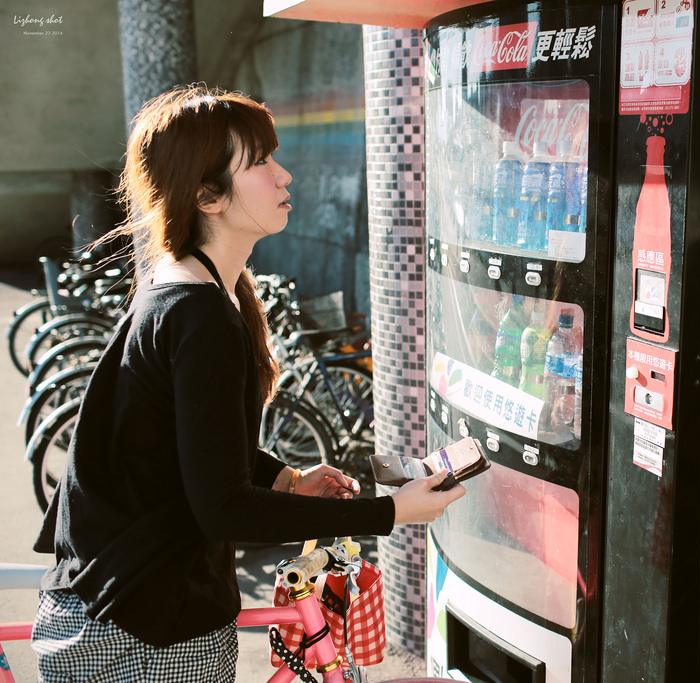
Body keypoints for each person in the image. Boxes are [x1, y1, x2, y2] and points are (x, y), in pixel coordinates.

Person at [29, 85, 465, 682]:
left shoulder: (189, 288)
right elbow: (224, 510)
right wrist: (388, 512)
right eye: (259, 162)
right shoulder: (199, 312)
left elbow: (190, 443)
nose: (283, 175)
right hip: (144, 629)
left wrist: (285, 477)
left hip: (119, 605)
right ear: (207, 195)